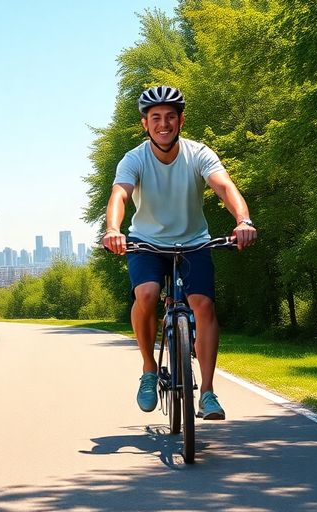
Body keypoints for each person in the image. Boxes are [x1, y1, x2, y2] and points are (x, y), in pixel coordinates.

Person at [101, 85, 257, 420]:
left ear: (181, 120)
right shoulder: (134, 158)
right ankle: (148, 369)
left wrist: (243, 220)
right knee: (147, 293)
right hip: (146, 243)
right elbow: (119, 195)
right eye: (155, 117)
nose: (163, 123)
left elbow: (224, 186)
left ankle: (209, 392)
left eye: (170, 116)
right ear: (145, 124)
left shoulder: (199, 153)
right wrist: (113, 230)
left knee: (202, 304)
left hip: (194, 241)